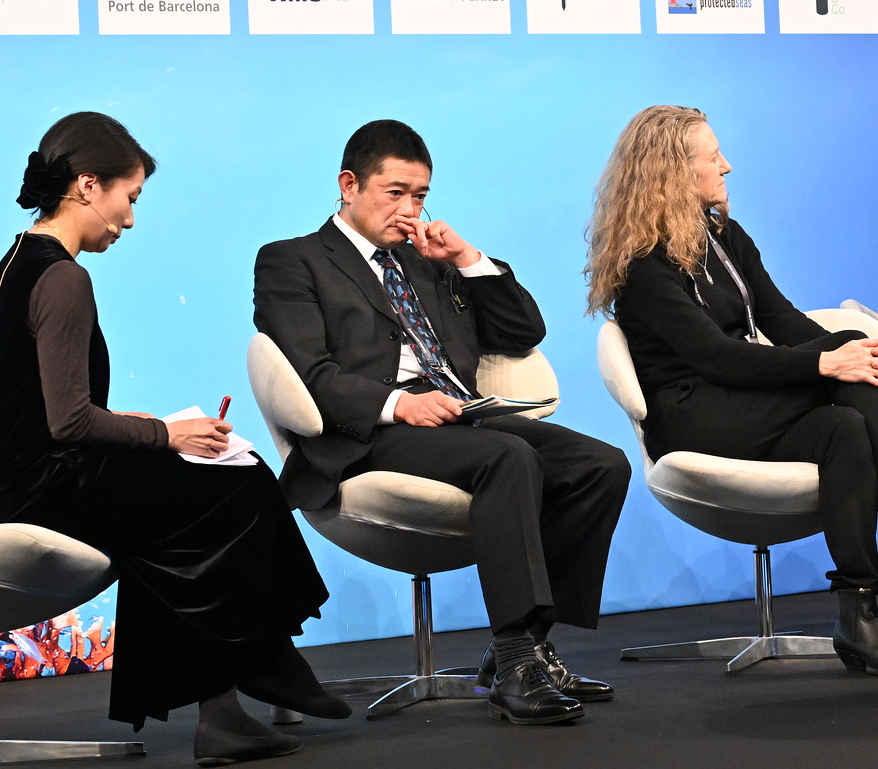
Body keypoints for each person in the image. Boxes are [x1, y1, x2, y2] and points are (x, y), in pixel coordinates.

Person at [0, 112, 340, 767]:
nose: (131, 219)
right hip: (47, 490)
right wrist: (166, 433)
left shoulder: (19, 262)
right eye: (130, 197)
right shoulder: (64, 277)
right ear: (88, 185)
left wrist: (151, 434)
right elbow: (70, 423)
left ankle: (231, 704)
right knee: (239, 480)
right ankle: (263, 660)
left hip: (26, 481)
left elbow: (45, 412)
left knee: (213, 486)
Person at [589, 105, 878, 677]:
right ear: (674, 172)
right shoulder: (644, 267)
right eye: (713, 157)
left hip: (747, 401)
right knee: (838, 372)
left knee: (844, 422)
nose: (727, 166)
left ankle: (859, 615)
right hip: (692, 412)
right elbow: (716, 357)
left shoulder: (723, 236)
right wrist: (825, 364)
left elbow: (781, 319)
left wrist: (849, 354)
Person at [253, 121, 630, 726]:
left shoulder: (428, 259)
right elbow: (311, 373)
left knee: (600, 465)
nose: (410, 210)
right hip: (368, 434)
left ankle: (528, 646)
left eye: (420, 195)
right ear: (349, 185)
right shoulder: (292, 261)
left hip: (460, 415)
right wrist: (398, 404)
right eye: (395, 192)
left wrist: (466, 258)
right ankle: (516, 662)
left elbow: (522, 332)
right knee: (509, 457)